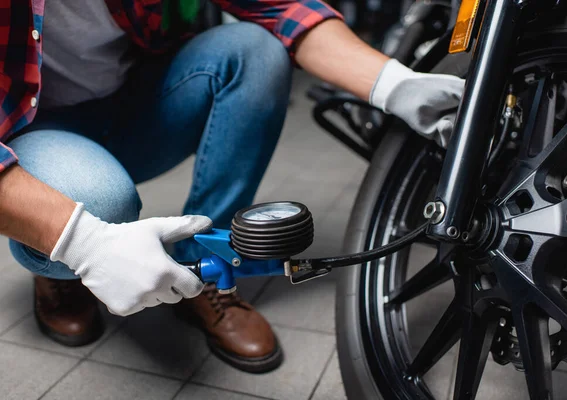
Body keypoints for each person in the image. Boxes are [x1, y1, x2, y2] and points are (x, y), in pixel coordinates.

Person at [0, 0, 464, 374]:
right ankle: (56, 254)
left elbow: (283, 7)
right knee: (100, 201)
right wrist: (86, 242)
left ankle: (207, 274)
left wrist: (396, 85)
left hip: (134, 103)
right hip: (39, 129)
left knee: (255, 50)